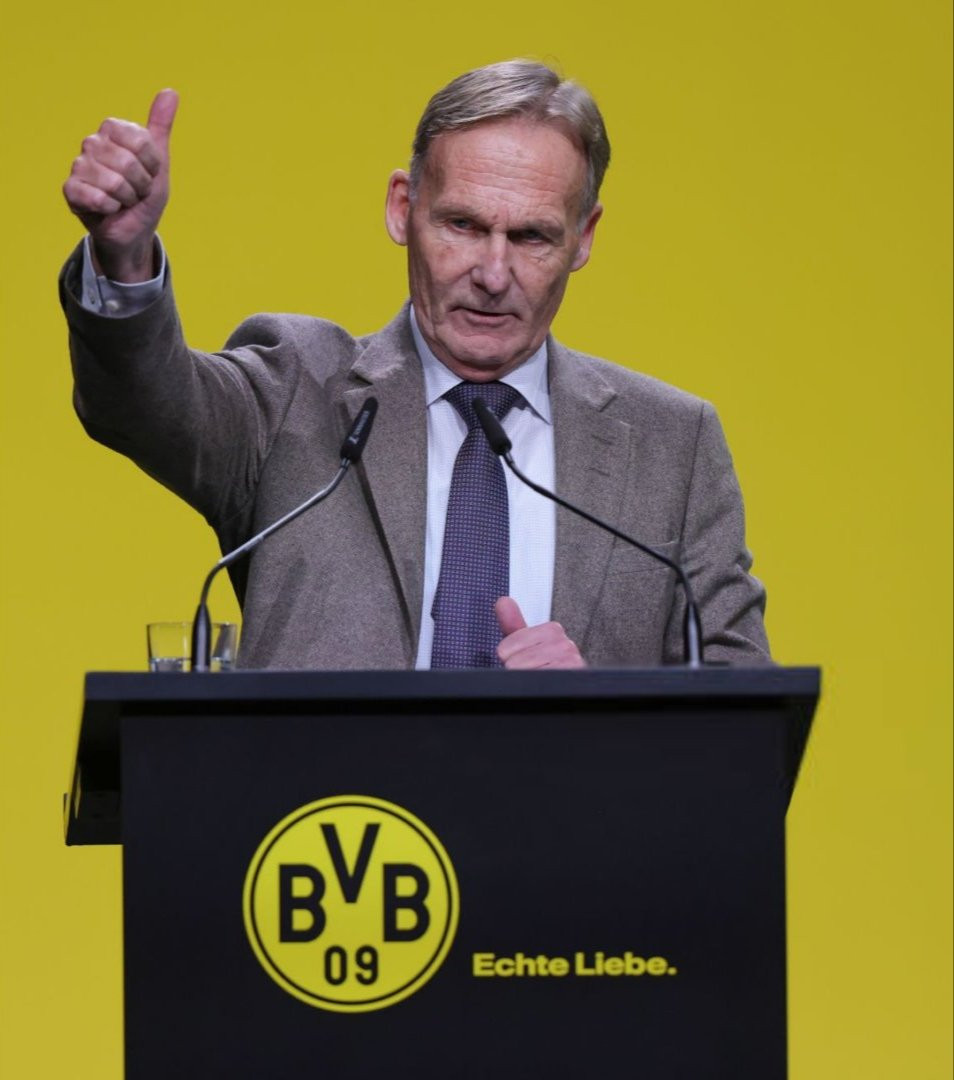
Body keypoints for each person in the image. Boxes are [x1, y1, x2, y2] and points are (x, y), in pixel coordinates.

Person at [60, 60, 770, 670]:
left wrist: (606, 716)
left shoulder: (673, 446)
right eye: (463, 225)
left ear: (583, 238)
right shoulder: (294, 390)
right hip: (329, 796)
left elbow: (742, 725)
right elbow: (144, 406)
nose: (493, 274)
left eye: (531, 237)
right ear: (404, 209)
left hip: (571, 797)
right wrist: (124, 256)